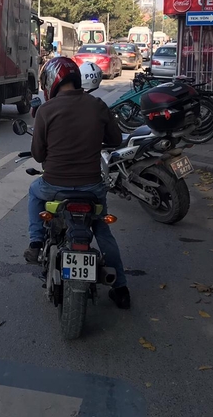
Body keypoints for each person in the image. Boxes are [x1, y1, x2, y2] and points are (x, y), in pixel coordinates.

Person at [23, 57, 131, 309]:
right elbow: (115, 139)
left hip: (53, 186)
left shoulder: (45, 111)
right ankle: (121, 287)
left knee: (33, 192)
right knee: (103, 231)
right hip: (92, 189)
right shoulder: (97, 105)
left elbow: (38, 155)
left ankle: (36, 242)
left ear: (51, 82)